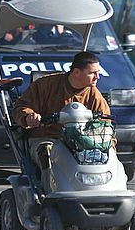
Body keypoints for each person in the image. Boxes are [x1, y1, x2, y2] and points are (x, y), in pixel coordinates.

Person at [13, 51, 111, 183]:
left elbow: (106, 124)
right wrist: (29, 116)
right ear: (76, 72)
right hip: (47, 139)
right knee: (47, 154)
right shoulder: (45, 85)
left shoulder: (94, 94)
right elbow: (21, 107)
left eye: (97, 72)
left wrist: (109, 148)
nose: (97, 77)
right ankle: (49, 195)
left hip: (81, 143)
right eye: (92, 73)